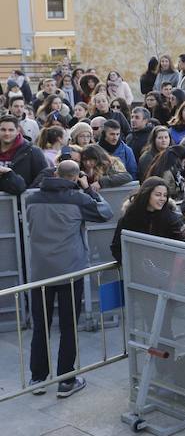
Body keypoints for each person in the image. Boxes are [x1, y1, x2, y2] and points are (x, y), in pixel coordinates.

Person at [25, 160, 113, 397]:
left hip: (40, 273)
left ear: (55, 173)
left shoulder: (31, 199)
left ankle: (38, 379)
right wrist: (87, 189)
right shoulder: (79, 198)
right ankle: (66, 380)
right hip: (70, 271)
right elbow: (106, 212)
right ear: (75, 178)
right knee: (68, 326)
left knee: (40, 327)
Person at [110, 177, 185, 262]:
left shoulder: (172, 219)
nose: (162, 199)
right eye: (158, 195)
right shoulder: (128, 218)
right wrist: (133, 264)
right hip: (136, 271)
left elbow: (183, 247)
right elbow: (116, 248)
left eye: (165, 195)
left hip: (166, 269)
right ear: (146, 194)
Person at [0, 114, 48, 194]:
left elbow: (43, 178)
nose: (7, 133)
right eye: (3, 130)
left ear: (18, 131)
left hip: (22, 203)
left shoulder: (33, 151)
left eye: (11, 130)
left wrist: (27, 195)